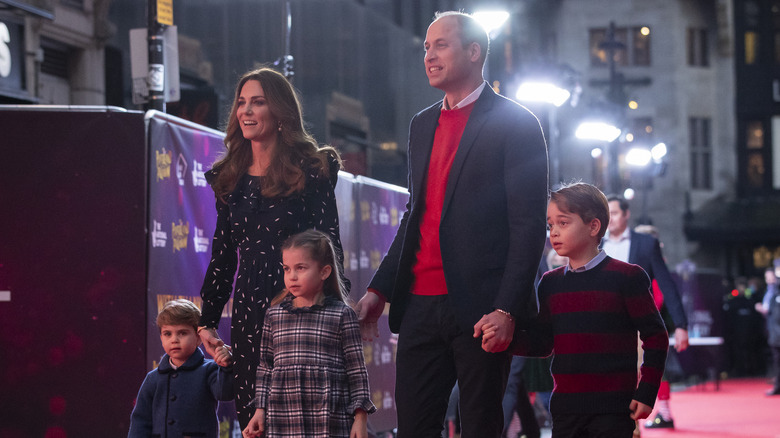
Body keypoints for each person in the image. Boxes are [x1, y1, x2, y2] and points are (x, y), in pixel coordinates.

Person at [354, 10, 548, 438]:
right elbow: (415, 214)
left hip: (482, 309)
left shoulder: (517, 123)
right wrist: (377, 290)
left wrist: (507, 308)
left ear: (474, 52)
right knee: (415, 429)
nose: (429, 55)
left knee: (480, 426)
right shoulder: (422, 124)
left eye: (441, 45)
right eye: (426, 47)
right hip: (419, 305)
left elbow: (529, 225)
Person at [196, 67, 347, 429]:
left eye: (258, 103)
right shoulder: (229, 178)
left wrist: (332, 310)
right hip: (249, 313)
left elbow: (331, 247)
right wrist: (207, 321)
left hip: (301, 310)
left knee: (302, 421)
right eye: (241, 103)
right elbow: (223, 254)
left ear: (279, 112)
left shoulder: (312, 170)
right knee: (255, 420)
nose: (245, 111)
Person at [480, 182, 669, 438]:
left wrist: (646, 391)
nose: (554, 232)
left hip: (613, 409)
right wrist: (506, 340)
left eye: (563, 223)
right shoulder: (551, 282)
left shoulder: (627, 277)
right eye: (550, 225)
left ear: (594, 226)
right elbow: (544, 343)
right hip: (565, 409)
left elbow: (656, 337)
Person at [243, 230, 375, 438]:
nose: (292, 276)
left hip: (329, 418)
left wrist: (360, 418)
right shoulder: (274, 315)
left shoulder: (342, 314)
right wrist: (260, 410)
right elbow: (266, 368)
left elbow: (356, 371)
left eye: (301, 268)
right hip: (283, 417)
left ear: (324, 272)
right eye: (287, 269)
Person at [603, 195, 688, 431]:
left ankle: (631, 430)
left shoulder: (645, 244)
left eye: (616, 213)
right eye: (607, 214)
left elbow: (667, 285)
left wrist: (681, 324)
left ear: (627, 214)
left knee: (632, 378)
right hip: (600, 324)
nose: (611, 219)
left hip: (635, 324)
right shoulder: (597, 244)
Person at [128, 299, 234, 438]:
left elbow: (225, 394)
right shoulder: (152, 378)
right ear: (161, 337)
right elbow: (140, 420)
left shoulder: (210, 369)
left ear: (198, 338)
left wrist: (226, 366)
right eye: (168, 334)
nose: (174, 339)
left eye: (182, 333)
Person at [756, 266, 780, 395]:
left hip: (777, 332)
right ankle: (778, 385)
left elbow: (774, 312)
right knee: (776, 360)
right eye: (767, 278)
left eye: (772, 277)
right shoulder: (769, 293)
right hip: (773, 331)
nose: (770, 280)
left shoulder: (776, 292)